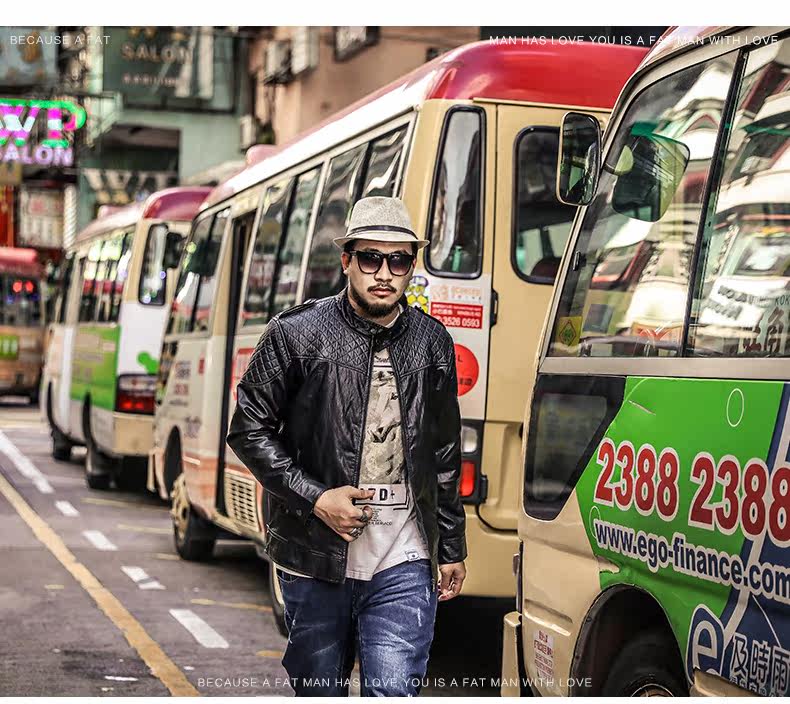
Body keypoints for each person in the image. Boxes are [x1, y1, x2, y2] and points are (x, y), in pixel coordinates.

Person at [227, 196, 467, 696]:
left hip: (404, 553)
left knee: (393, 691)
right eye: (370, 258)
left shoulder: (432, 342)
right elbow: (248, 429)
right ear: (346, 261)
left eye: (398, 260)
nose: (384, 273)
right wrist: (317, 498)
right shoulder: (294, 335)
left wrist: (450, 547)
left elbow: (444, 452)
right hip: (313, 553)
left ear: (412, 266)